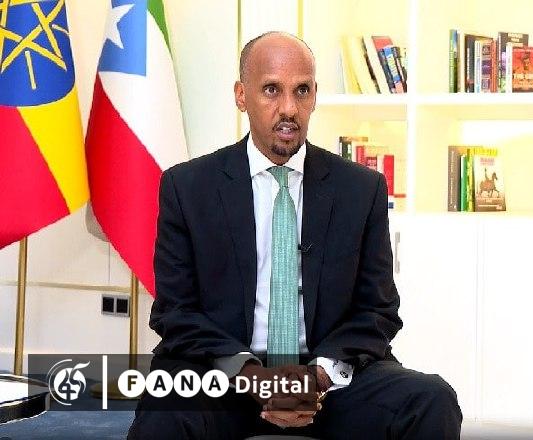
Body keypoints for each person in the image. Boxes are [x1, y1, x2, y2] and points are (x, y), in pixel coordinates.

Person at [127, 31, 462, 439]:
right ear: (241, 95)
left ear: (314, 96)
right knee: (164, 409)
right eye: (271, 90)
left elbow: (378, 310)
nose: (289, 108)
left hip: (329, 382)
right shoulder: (188, 187)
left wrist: (315, 377)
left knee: (431, 399)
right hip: (224, 377)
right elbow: (176, 313)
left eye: (302, 90)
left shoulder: (361, 189)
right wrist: (256, 378)